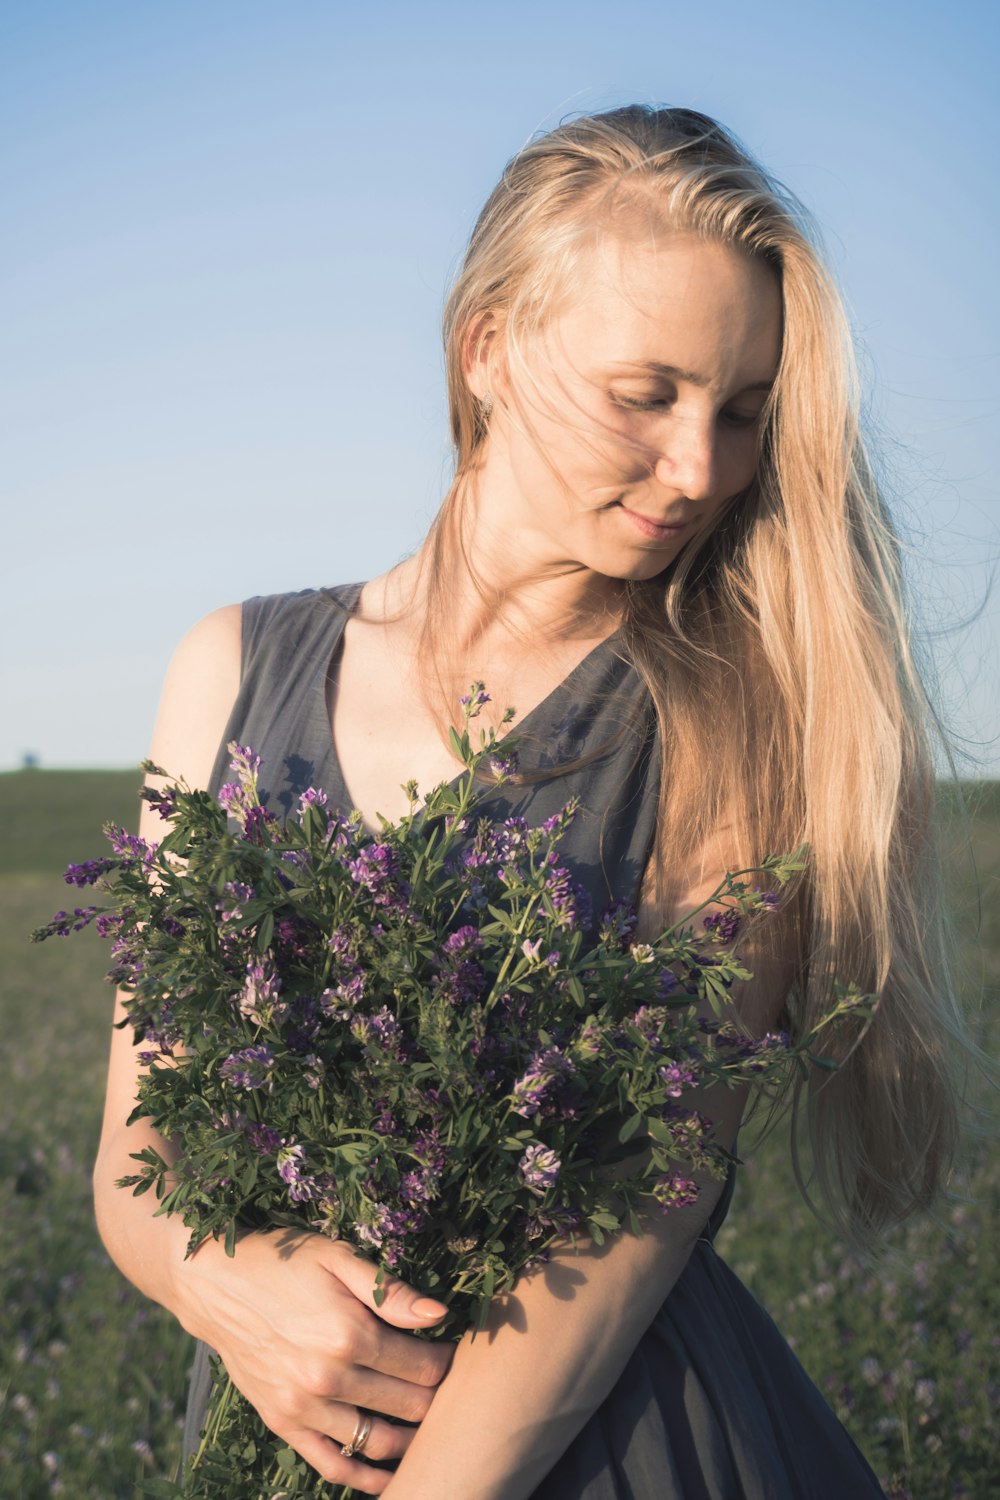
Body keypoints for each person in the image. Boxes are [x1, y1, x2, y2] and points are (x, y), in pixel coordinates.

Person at [93, 105, 965, 1498]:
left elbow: (632, 1214)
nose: (699, 469)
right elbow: (139, 1146)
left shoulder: (740, 718)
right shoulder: (230, 668)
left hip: (602, 1443)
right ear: (486, 347)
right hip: (279, 1429)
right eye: (648, 393)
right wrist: (229, 1286)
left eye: (743, 414)